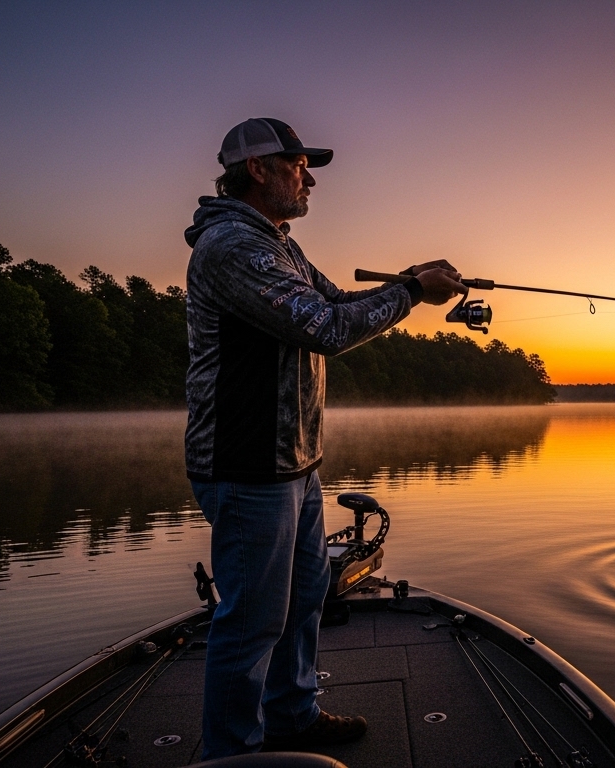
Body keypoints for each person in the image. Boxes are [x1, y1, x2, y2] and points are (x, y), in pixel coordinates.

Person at [183, 117, 464, 759]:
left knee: (307, 594)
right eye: (299, 164)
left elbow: (335, 302)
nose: (309, 177)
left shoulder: (277, 242)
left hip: (294, 465)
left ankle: (292, 718)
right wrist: (413, 292)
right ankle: (230, 755)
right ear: (258, 169)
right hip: (245, 465)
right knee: (253, 621)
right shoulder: (232, 246)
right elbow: (325, 329)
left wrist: (408, 280)